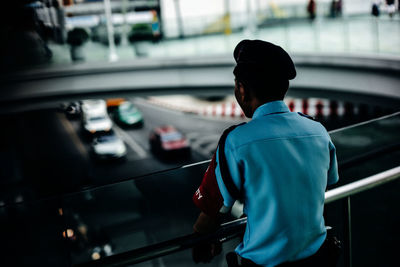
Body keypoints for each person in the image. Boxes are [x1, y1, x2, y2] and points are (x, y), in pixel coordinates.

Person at [192, 40, 339, 267]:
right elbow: (324, 183)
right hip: (319, 259)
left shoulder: (235, 142)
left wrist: (202, 240)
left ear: (241, 89)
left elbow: (210, 213)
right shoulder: (318, 131)